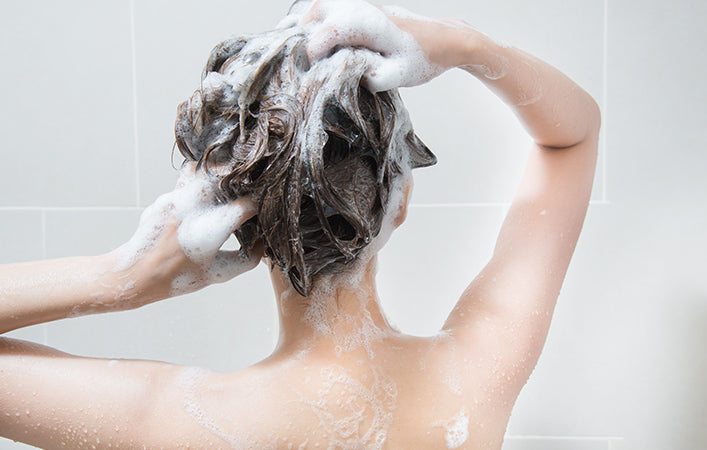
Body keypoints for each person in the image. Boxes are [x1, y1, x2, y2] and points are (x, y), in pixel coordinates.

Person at [0, 1, 600, 448]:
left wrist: (120, 278)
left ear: (240, 225)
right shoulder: (478, 372)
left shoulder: (184, 423)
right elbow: (575, 133)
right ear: (401, 198)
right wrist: (469, 47)